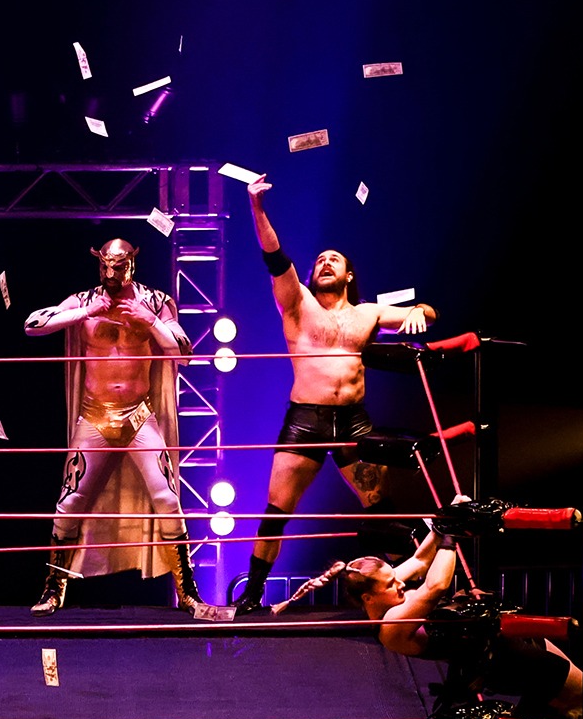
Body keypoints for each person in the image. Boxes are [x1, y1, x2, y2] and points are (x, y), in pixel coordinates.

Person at [234, 175, 437, 613]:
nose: (326, 263)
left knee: (380, 507)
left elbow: (426, 312)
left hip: (353, 421)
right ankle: (251, 594)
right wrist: (257, 207)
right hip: (305, 419)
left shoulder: (368, 313)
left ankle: (410, 589)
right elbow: (274, 256)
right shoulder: (297, 302)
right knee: (275, 511)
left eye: (335, 259)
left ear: (349, 274)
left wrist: (420, 313)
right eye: (320, 259)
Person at [22, 239, 216, 618]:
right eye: (105, 266)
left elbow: (184, 354)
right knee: (69, 503)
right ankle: (53, 589)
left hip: (138, 416)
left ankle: (188, 593)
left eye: (118, 266)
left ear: (132, 264)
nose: (111, 274)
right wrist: (84, 314)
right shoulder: (83, 300)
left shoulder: (155, 302)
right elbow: (32, 325)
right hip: (95, 415)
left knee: (167, 499)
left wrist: (151, 322)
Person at [340, 528, 583, 719]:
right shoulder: (391, 625)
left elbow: (420, 560)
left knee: (579, 696)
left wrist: (442, 526)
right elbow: (435, 587)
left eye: (394, 577)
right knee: (558, 676)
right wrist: (450, 539)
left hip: (499, 637)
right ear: (368, 598)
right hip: (495, 660)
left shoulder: (389, 592)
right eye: (390, 583)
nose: (399, 582)